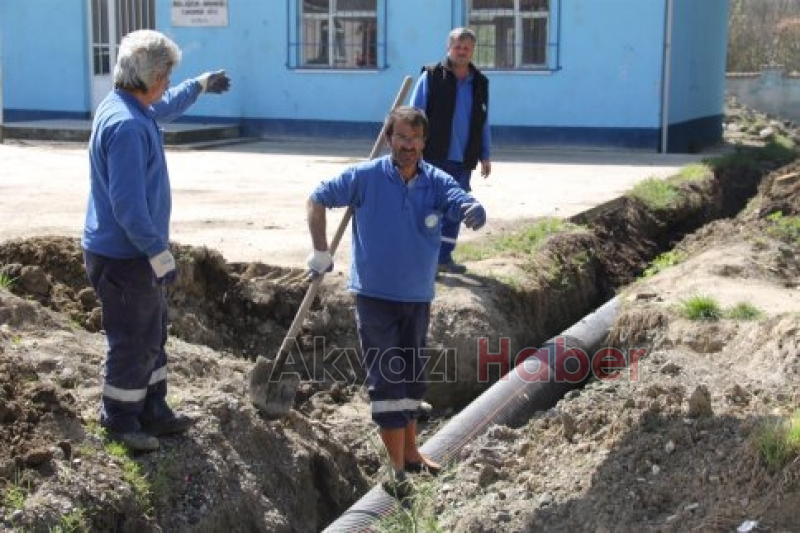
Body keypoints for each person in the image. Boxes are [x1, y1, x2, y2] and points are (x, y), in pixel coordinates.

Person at [306, 106, 487, 498]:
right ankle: (397, 471)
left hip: (417, 297)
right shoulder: (364, 177)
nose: (408, 145)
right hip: (375, 297)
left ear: (424, 142)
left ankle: (412, 455)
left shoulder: (435, 181)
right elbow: (317, 198)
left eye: (415, 139)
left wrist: (471, 207)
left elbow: (458, 197)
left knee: (412, 381)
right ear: (390, 139)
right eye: (401, 138)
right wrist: (320, 251)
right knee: (388, 381)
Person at [81, 29, 231, 452]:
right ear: (150, 77)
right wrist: (157, 252)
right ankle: (121, 420)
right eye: (167, 76)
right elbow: (128, 207)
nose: (167, 84)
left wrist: (198, 85)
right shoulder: (127, 126)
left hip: (131, 251)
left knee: (152, 331)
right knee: (132, 338)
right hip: (125, 254)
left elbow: (163, 106)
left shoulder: (130, 105)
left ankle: (153, 409)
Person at [410, 27, 491, 274]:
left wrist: (485, 154)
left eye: (467, 48)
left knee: (456, 209)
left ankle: (444, 258)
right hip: (434, 156)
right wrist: (413, 148)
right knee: (429, 208)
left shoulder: (480, 82)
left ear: (473, 51)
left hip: (463, 160)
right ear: (449, 48)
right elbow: (415, 115)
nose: (462, 52)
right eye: (457, 47)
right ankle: (424, 260)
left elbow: (484, 121)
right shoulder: (432, 76)